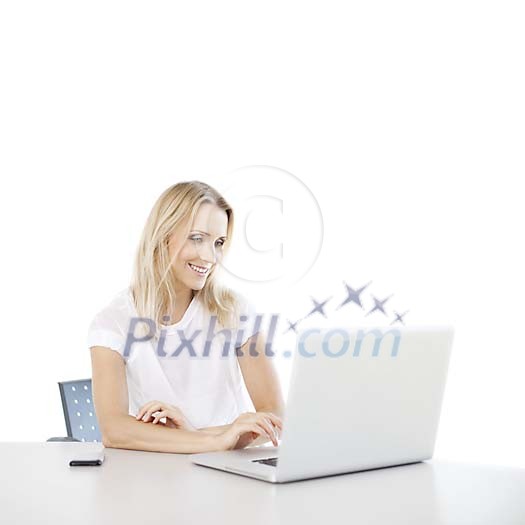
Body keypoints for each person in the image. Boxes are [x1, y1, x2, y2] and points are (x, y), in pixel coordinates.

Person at [87, 180, 284, 454]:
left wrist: (194, 435)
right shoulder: (113, 322)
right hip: (158, 476)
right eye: (197, 238)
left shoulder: (235, 311)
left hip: (230, 472)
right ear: (163, 235)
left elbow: (275, 416)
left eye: (218, 242)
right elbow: (115, 430)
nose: (210, 256)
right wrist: (215, 440)